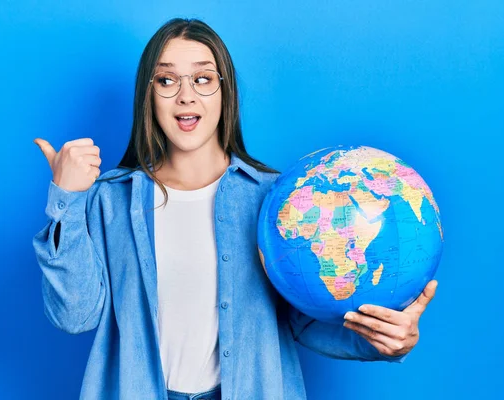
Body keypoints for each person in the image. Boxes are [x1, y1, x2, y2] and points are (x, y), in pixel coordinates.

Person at [33, 18, 438, 400]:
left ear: (224, 93)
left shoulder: (277, 200)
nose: (186, 94)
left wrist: (384, 341)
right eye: (167, 80)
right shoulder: (110, 199)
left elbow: (301, 318)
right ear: (148, 95)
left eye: (203, 78)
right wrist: (66, 200)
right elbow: (75, 315)